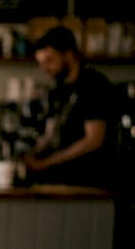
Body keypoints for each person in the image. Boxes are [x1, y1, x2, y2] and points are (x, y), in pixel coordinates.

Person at [26, 26, 116, 188]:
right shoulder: (57, 89)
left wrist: (47, 163)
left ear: (68, 54)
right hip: (59, 181)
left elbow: (93, 140)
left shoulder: (94, 84)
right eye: (41, 63)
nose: (45, 68)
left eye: (50, 60)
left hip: (89, 183)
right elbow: (52, 132)